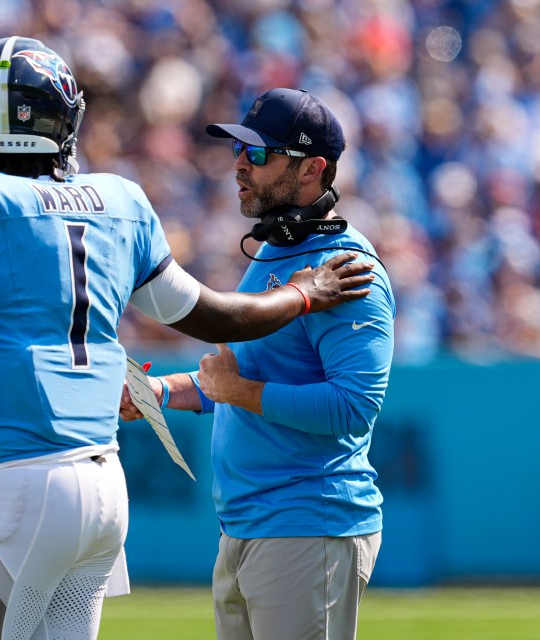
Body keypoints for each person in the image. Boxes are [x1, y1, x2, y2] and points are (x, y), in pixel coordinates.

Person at [0, 39, 375, 640]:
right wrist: (303, 294)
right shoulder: (118, 199)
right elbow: (216, 317)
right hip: (103, 491)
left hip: (17, 486)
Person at [120, 88, 396, 640]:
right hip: (248, 526)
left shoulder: (345, 270)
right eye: (239, 152)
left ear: (313, 169)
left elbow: (354, 407)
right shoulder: (274, 252)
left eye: (261, 154)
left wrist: (238, 391)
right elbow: (235, 377)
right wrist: (161, 391)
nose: (241, 166)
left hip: (308, 522)